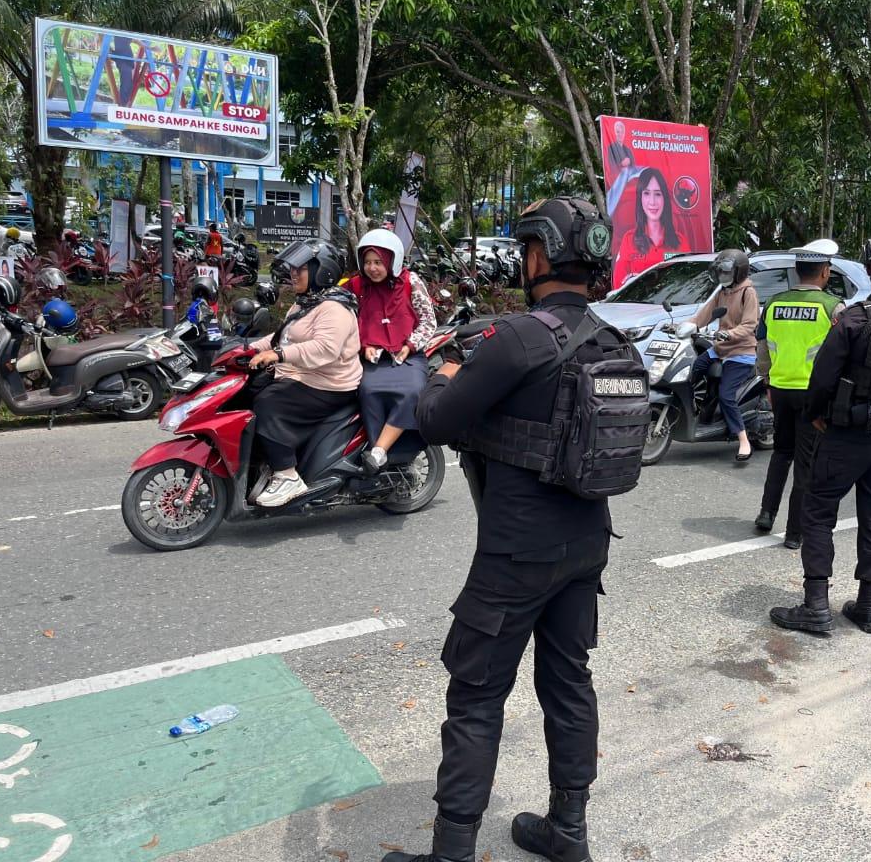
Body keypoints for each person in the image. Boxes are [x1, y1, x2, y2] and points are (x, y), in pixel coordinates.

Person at [386, 197, 629, 862]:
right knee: (569, 683)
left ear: (541, 255)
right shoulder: (614, 340)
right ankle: (569, 833)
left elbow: (434, 421)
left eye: (526, 250)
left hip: (515, 553)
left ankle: (453, 852)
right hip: (586, 544)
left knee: (476, 696)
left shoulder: (515, 338)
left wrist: (445, 368)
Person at [770, 229, 871, 637]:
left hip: (847, 435)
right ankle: (869, 607)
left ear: (867, 267)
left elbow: (822, 379)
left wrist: (815, 416)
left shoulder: (854, 319)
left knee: (818, 512)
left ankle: (815, 606)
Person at [248, 240, 361, 507]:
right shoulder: (305, 304)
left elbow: (325, 349)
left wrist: (278, 355)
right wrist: (246, 348)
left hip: (330, 384)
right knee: (247, 391)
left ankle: (287, 475)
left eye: (301, 269)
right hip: (301, 376)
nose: (293, 274)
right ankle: (266, 461)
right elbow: (282, 337)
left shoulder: (334, 308)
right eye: (293, 269)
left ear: (323, 271)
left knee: (269, 403)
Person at [753, 244, 844, 544]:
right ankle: (794, 533)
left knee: (781, 453)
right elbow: (839, 357)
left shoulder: (774, 303)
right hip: (811, 395)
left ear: (796, 271)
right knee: (806, 463)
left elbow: (762, 348)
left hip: (779, 389)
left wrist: (767, 381)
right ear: (824, 271)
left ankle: (766, 514)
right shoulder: (833, 307)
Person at [346, 228, 437, 470]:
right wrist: (362, 345)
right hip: (373, 358)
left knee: (413, 391)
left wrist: (410, 345)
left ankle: (379, 451)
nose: (372, 268)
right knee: (367, 391)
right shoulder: (355, 286)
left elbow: (428, 321)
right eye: (367, 262)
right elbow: (343, 320)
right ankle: (376, 451)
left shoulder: (411, 282)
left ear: (392, 260)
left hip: (408, 356)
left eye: (378, 262)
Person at [675, 249, 760, 462]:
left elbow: (750, 324)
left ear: (738, 272)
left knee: (726, 396)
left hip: (741, 352)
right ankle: (700, 410)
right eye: (720, 271)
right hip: (720, 349)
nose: (722, 275)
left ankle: (743, 440)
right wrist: (689, 325)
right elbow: (705, 313)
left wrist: (728, 333)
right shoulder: (723, 291)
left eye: (726, 272)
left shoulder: (747, 292)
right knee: (692, 369)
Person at [612, 167, 683, 287]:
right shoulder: (629, 240)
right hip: (637, 305)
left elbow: (686, 283)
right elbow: (619, 286)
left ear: (664, 198)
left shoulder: (680, 241)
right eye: (646, 193)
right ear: (640, 198)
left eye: (657, 194)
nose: (652, 201)